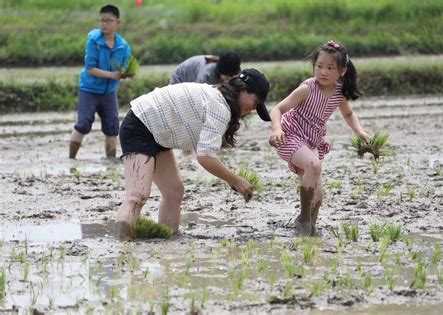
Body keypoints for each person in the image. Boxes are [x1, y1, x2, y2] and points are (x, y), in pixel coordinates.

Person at [114, 68, 271, 240]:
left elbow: (202, 145)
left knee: (174, 192)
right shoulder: (220, 107)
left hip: (157, 133)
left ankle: (168, 240)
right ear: (243, 89)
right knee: (137, 196)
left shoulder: (218, 97)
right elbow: (205, 157)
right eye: (256, 103)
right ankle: (122, 247)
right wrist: (235, 180)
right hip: (140, 125)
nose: (253, 109)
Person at [269, 40, 369, 236]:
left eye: (330, 67)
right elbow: (277, 109)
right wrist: (276, 129)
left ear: (342, 71)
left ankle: (307, 231)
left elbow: (348, 115)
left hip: (312, 141)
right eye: (319, 66)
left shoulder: (339, 94)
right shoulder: (308, 88)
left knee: (319, 195)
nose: (323, 71)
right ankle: (305, 219)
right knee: (314, 165)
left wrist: (360, 132)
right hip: (290, 135)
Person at [69, 4, 132, 159]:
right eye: (101, 20)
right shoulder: (94, 41)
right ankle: (71, 160)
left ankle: (111, 163)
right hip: (89, 89)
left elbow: (125, 67)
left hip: (109, 92)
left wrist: (125, 73)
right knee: (83, 123)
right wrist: (112, 75)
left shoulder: (123, 46)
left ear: (118, 23)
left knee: (112, 127)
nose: (104, 24)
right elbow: (90, 68)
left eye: (108, 21)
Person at [170, 51, 241, 85]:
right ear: (220, 72)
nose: (228, 80)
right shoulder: (207, 74)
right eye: (227, 78)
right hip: (181, 78)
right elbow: (198, 93)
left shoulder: (237, 74)